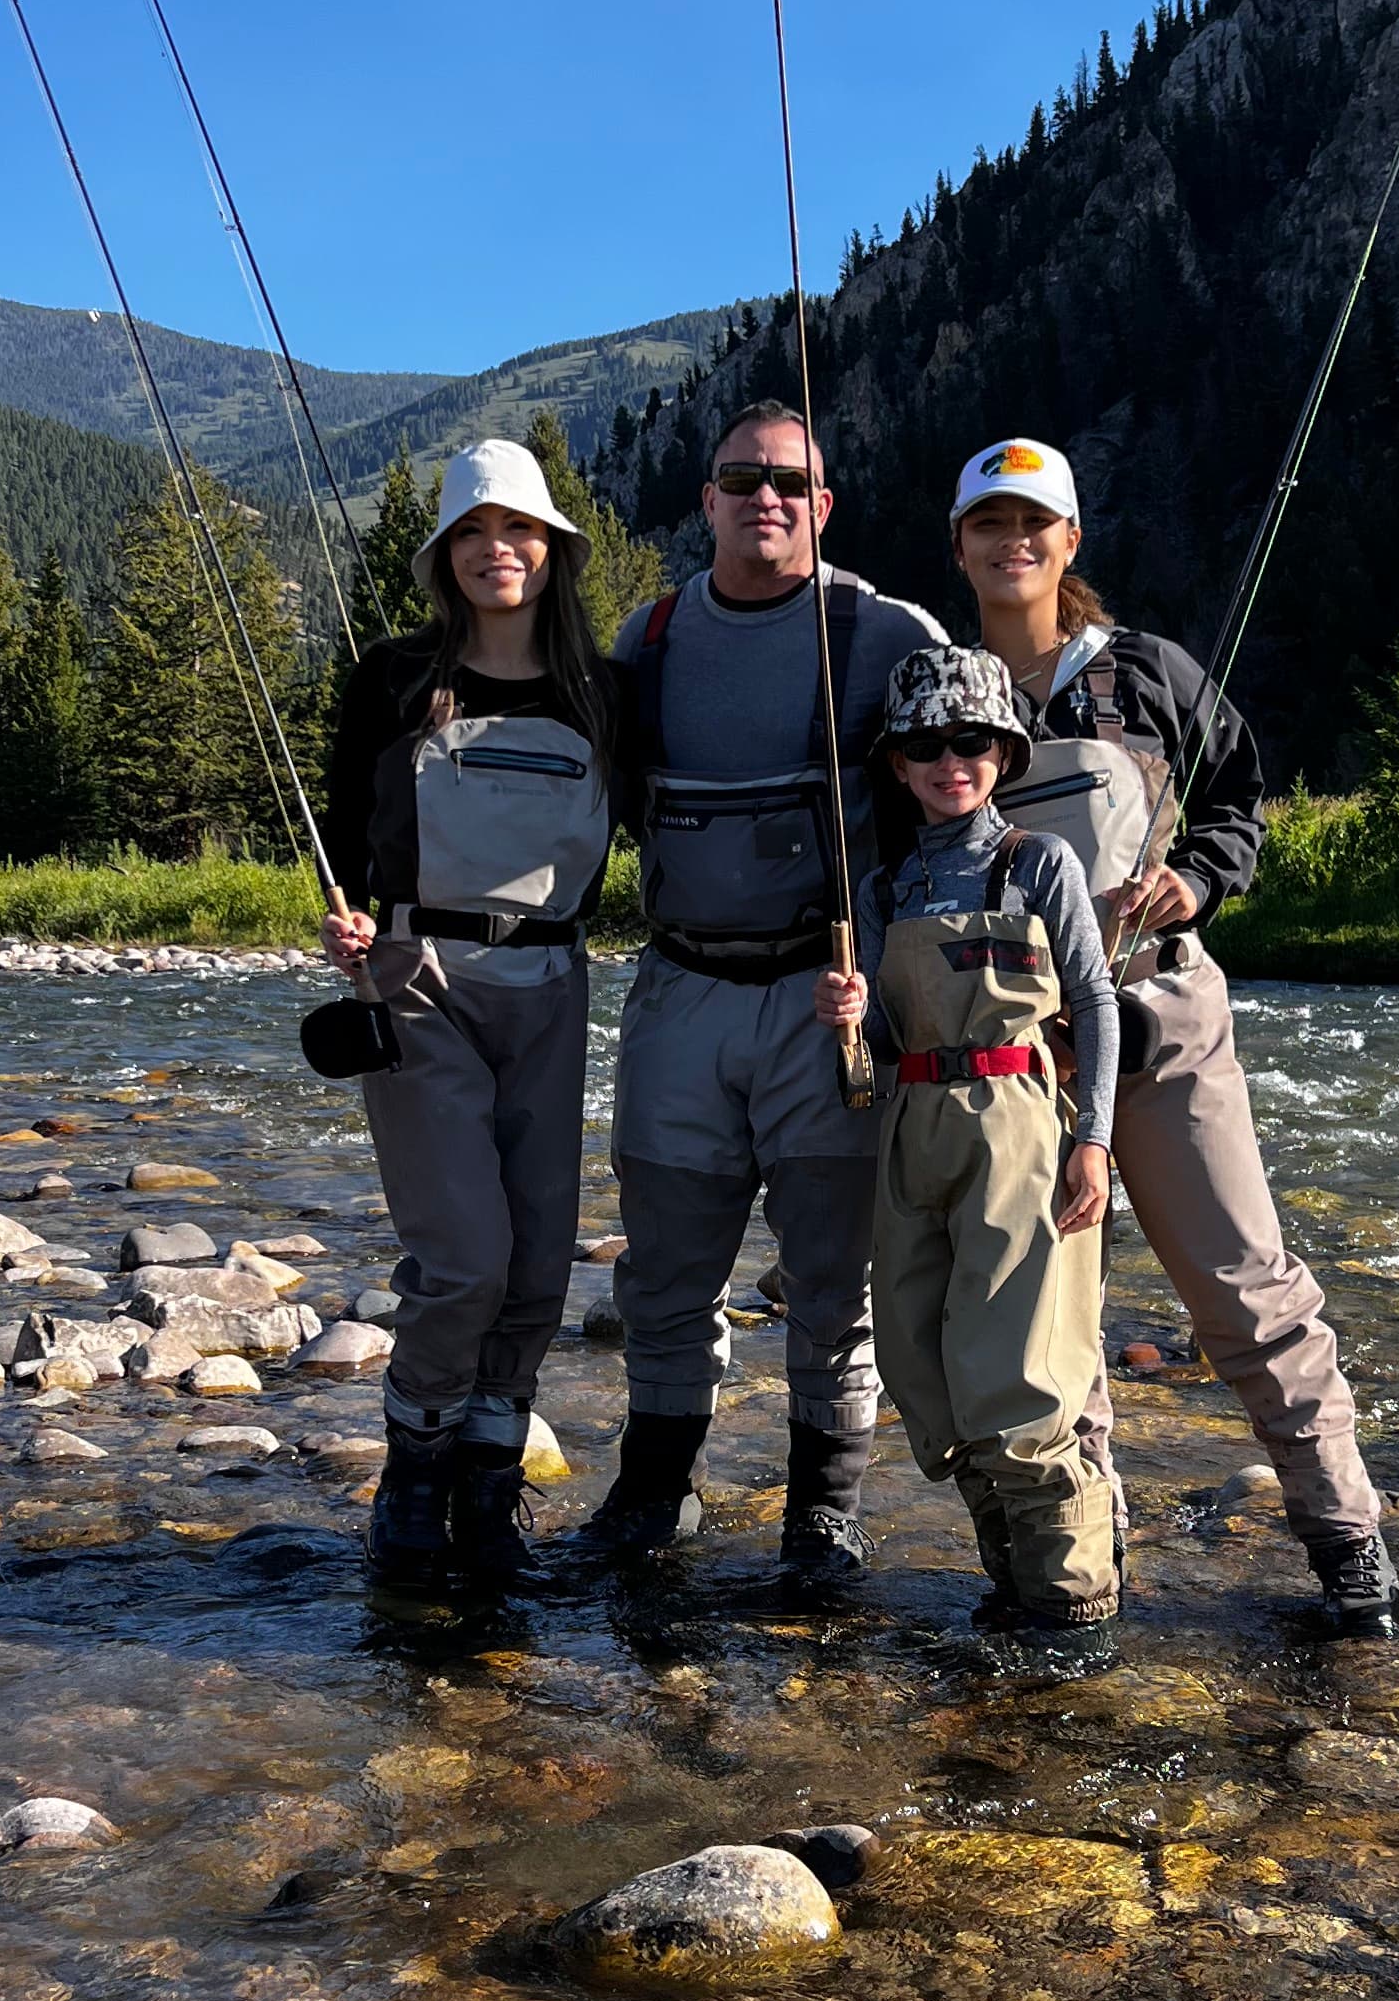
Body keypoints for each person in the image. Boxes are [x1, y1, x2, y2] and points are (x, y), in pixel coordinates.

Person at [946, 432, 1399, 1635]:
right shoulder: (948, 693)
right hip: (1023, 1050)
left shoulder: (1148, 671)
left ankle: (1347, 1544)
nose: (1012, 542)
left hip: (1165, 1016)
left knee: (1248, 1292)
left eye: (1033, 522)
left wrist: (1197, 880)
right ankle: (1079, 1566)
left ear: (1070, 541)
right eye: (990, 523)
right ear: (961, 545)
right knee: (1054, 1323)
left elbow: (1240, 800)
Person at [584, 398, 946, 1583]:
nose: (765, 499)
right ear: (707, 502)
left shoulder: (889, 633)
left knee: (834, 1277)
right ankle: (655, 1490)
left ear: (823, 504)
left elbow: (977, 782)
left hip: (826, 1002)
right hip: (678, 992)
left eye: (789, 481)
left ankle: (824, 1509)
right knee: (664, 1270)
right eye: (741, 480)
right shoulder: (647, 638)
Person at [321, 436, 619, 1596]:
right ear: (445, 556)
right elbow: (343, 838)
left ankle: (489, 1490)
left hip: (554, 987)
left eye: (519, 529)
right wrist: (343, 924)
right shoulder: (391, 680)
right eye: (475, 533)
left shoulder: (605, 692)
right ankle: (413, 1479)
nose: (499, 549)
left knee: (538, 1261)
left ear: (553, 550)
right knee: (465, 1261)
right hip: (416, 982)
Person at [817, 646, 1120, 1628]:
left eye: (974, 742)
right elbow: (882, 1045)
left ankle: (1072, 1610)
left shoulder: (1040, 863)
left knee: (1022, 1380)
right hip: (913, 1129)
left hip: (1020, 1127)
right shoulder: (885, 887)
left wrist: (1094, 1141)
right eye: (927, 746)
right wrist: (850, 1017)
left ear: (1005, 753)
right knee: (925, 1373)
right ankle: (1013, 1587)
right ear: (898, 765)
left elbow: (1095, 1004)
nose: (952, 762)